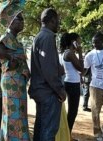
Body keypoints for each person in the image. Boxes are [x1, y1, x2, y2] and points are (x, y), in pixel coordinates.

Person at [0, 1, 30, 140]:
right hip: (12, 82)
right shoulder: (7, 37)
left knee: (19, 115)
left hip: (17, 82)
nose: (23, 21)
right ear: (11, 21)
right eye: (19, 18)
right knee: (12, 115)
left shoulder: (15, 40)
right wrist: (10, 58)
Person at [29, 8, 66, 141]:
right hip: (48, 92)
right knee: (49, 131)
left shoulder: (39, 37)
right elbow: (48, 69)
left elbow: (46, 64)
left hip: (40, 91)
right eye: (58, 21)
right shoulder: (48, 37)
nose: (59, 24)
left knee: (40, 128)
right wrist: (60, 90)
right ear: (52, 20)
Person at [60, 32, 84, 140]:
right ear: (73, 41)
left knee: (71, 111)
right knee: (73, 112)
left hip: (69, 83)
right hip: (73, 84)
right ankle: (67, 136)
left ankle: (67, 135)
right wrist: (80, 53)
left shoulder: (65, 53)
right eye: (79, 40)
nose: (80, 42)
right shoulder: (70, 53)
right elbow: (81, 69)